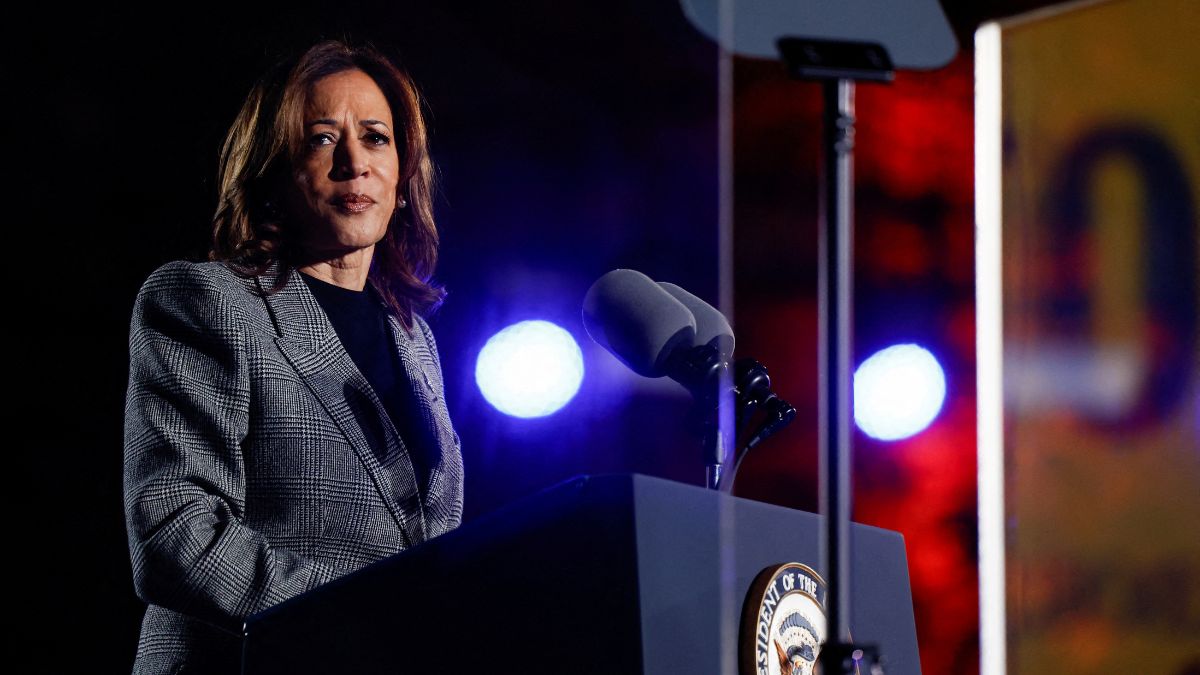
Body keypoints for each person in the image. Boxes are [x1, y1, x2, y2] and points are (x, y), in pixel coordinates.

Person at [122, 40, 463, 674]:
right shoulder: (205, 300)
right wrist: (372, 620)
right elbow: (175, 533)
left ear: (405, 176)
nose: (354, 162)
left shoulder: (414, 335)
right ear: (273, 171)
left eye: (376, 137)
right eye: (321, 139)